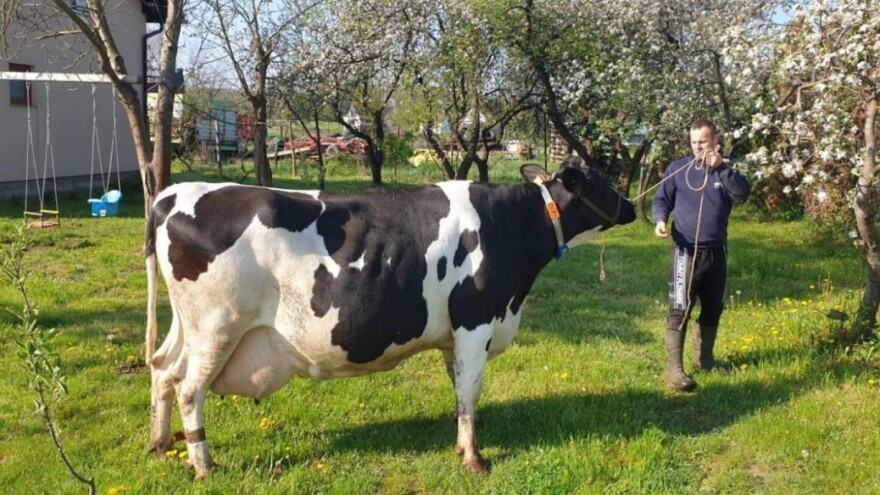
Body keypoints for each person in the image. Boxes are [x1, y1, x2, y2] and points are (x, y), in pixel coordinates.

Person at [652, 119, 751, 391]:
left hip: (716, 251)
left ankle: (704, 359)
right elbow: (661, 200)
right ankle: (675, 370)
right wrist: (660, 220)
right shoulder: (678, 169)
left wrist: (720, 168)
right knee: (680, 309)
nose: (698, 147)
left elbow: (743, 194)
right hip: (686, 251)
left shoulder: (727, 170)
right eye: (694, 142)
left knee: (713, 307)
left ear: (715, 141)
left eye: (703, 142)